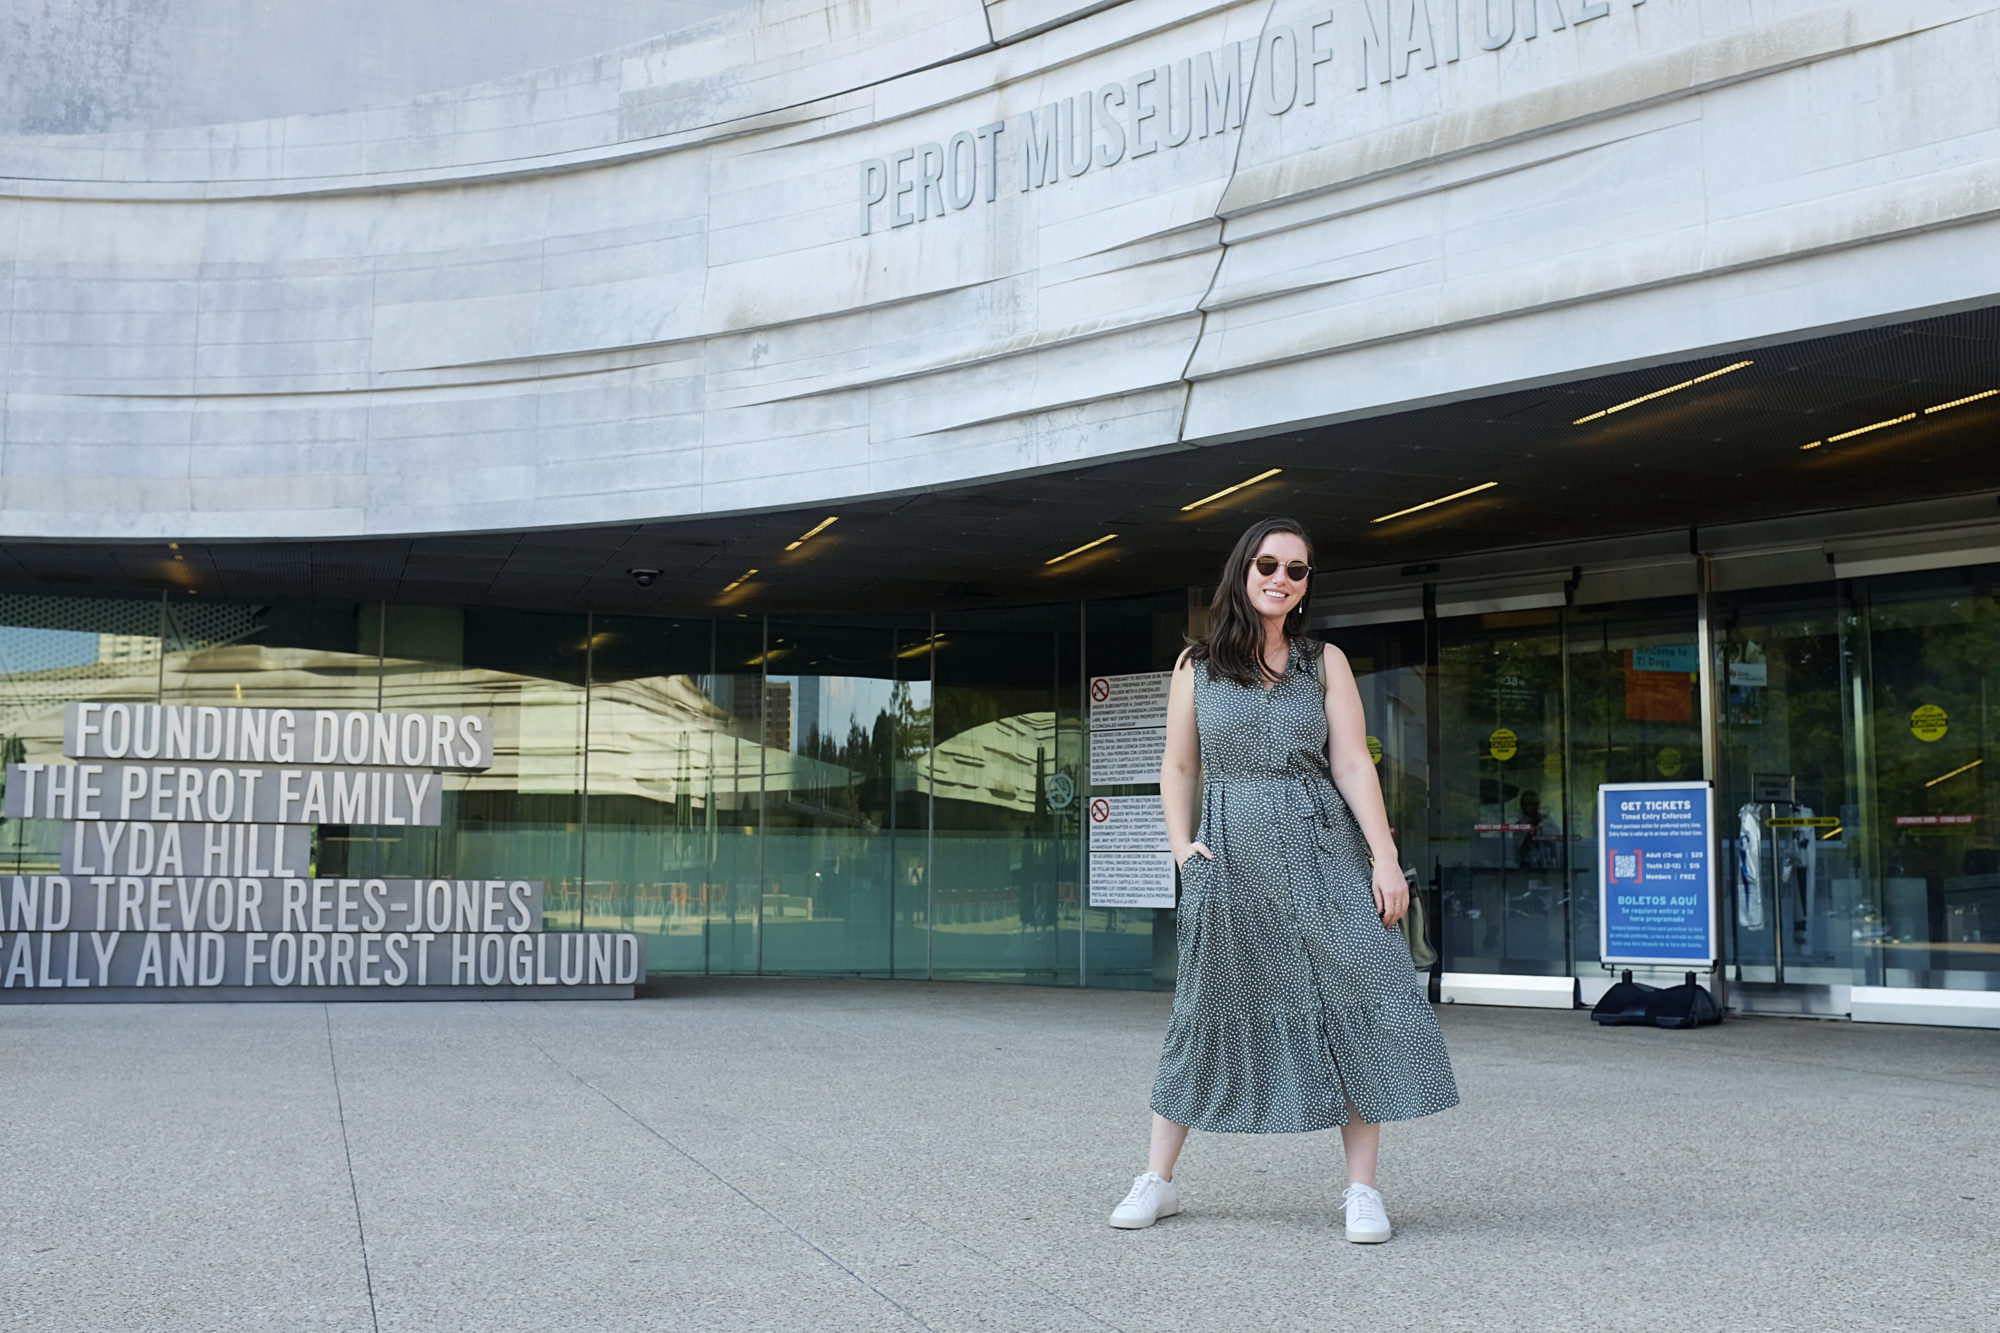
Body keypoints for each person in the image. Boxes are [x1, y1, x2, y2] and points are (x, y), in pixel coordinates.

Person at [1108, 517, 1458, 1243]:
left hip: (1325, 846)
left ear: (1305, 587)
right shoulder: (1195, 665)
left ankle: (1362, 1189)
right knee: (1204, 1007)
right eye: (1268, 563)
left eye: (1297, 570)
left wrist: (1386, 857)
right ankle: (1158, 1179)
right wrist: (1182, 848)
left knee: (1360, 992)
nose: (1281, 578)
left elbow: (1354, 762)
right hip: (1231, 850)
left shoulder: (1322, 660)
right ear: (1243, 570)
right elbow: (1179, 766)